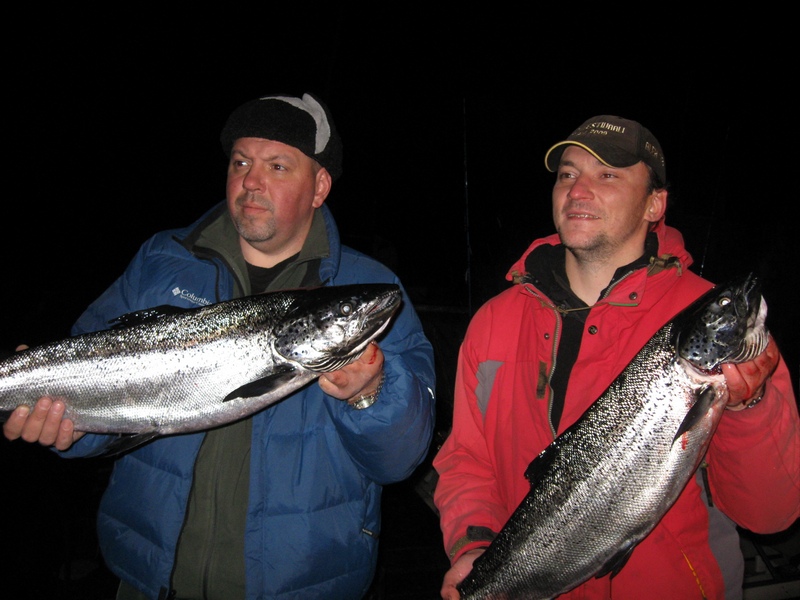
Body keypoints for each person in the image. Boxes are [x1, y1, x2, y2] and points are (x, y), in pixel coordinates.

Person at [3, 92, 436, 600]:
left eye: (277, 165)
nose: (252, 180)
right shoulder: (161, 259)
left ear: (319, 186)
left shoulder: (368, 283)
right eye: (241, 162)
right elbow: (86, 391)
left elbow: (400, 461)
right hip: (148, 578)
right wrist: (69, 430)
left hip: (302, 585)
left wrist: (370, 393)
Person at [433, 115, 800, 599]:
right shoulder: (494, 321)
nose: (577, 190)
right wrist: (474, 543)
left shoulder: (713, 321)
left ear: (654, 204)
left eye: (607, 174)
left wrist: (748, 408)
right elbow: (467, 459)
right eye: (567, 174)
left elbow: (771, 513)